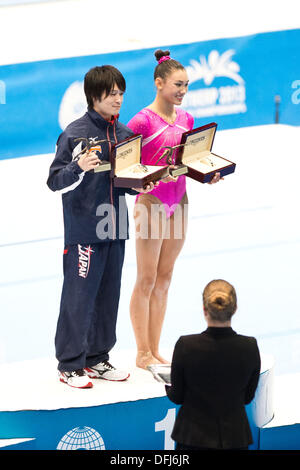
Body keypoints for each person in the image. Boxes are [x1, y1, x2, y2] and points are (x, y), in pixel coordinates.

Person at [47, 65, 156, 389]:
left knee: (109, 296)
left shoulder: (124, 135)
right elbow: (54, 182)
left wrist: (141, 186)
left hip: (116, 227)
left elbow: (123, 183)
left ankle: (97, 357)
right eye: (112, 94)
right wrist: (78, 166)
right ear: (94, 96)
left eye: (121, 93)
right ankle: (69, 363)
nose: (118, 99)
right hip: (84, 230)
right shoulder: (74, 134)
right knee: (79, 297)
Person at [127, 49, 221, 369]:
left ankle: (154, 349)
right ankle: (141, 352)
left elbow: (186, 161)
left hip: (179, 201)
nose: (182, 91)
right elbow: (126, 164)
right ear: (158, 83)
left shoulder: (187, 120)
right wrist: (141, 182)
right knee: (146, 278)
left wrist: (206, 173)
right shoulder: (141, 120)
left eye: (186, 85)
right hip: (151, 203)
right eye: (177, 84)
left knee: (165, 277)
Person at [166, 279, 261, 450]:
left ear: (204, 310)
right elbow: (248, 398)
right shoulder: (249, 346)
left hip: (192, 439)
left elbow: (177, 396)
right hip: (234, 439)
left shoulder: (186, 345)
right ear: (235, 309)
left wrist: (168, 388)